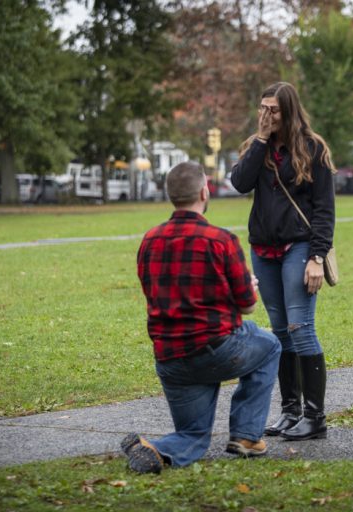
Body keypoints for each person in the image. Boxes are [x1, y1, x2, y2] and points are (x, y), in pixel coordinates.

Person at [122, 162, 281, 474]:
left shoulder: (149, 241)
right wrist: (248, 286)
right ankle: (246, 436)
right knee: (271, 345)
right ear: (204, 192)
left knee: (192, 437)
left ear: (171, 196)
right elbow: (247, 306)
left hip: (170, 357)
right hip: (218, 348)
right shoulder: (220, 240)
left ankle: (151, 448)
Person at [231, 82, 336, 441]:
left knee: (300, 328)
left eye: (273, 110)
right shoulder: (256, 147)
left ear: (289, 110)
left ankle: (315, 417)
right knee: (279, 331)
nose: (266, 115)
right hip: (263, 250)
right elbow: (240, 183)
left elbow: (324, 209)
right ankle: (290, 411)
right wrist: (259, 140)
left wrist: (317, 257)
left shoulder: (313, 148)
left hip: (300, 248)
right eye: (262, 108)